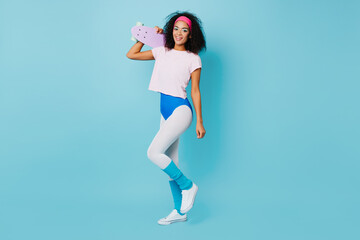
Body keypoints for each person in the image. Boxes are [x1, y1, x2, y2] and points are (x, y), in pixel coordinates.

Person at [126, 11, 206, 225]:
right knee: (172, 161)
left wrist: (199, 121)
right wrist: (147, 37)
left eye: (185, 30)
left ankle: (188, 186)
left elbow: (196, 91)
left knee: (153, 152)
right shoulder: (162, 50)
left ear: (191, 35)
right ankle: (179, 211)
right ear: (172, 30)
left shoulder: (193, 58)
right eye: (176, 28)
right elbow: (131, 55)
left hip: (181, 110)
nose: (179, 33)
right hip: (165, 112)